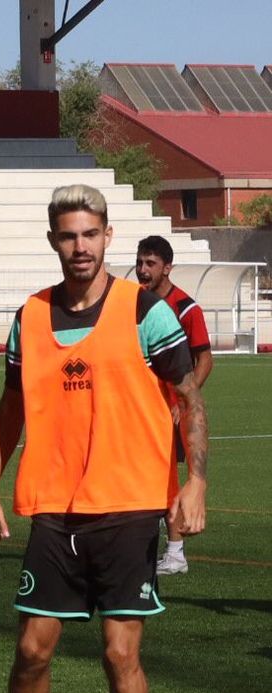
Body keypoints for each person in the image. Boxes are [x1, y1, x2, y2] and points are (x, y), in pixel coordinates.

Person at [0, 186, 207, 693]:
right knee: (31, 648)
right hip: (54, 505)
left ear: (107, 237)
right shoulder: (31, 315)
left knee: (118, 652)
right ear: (54, 240)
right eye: (67, 236)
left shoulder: (144, 312)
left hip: (131, 504)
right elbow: (11, 407)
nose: (79, 246)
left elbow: (188, 398)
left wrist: (197, 482)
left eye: (89, 234)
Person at [135, 235, 213, 576]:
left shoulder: (185, 307)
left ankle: (176, 552)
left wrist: (184, 400)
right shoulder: (134, 304)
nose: (142, 270)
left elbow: (205, 359)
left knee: (165, 480)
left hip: (171, 409)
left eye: (150, 263)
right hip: (141, 407)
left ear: (167, 267)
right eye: (139, 262)